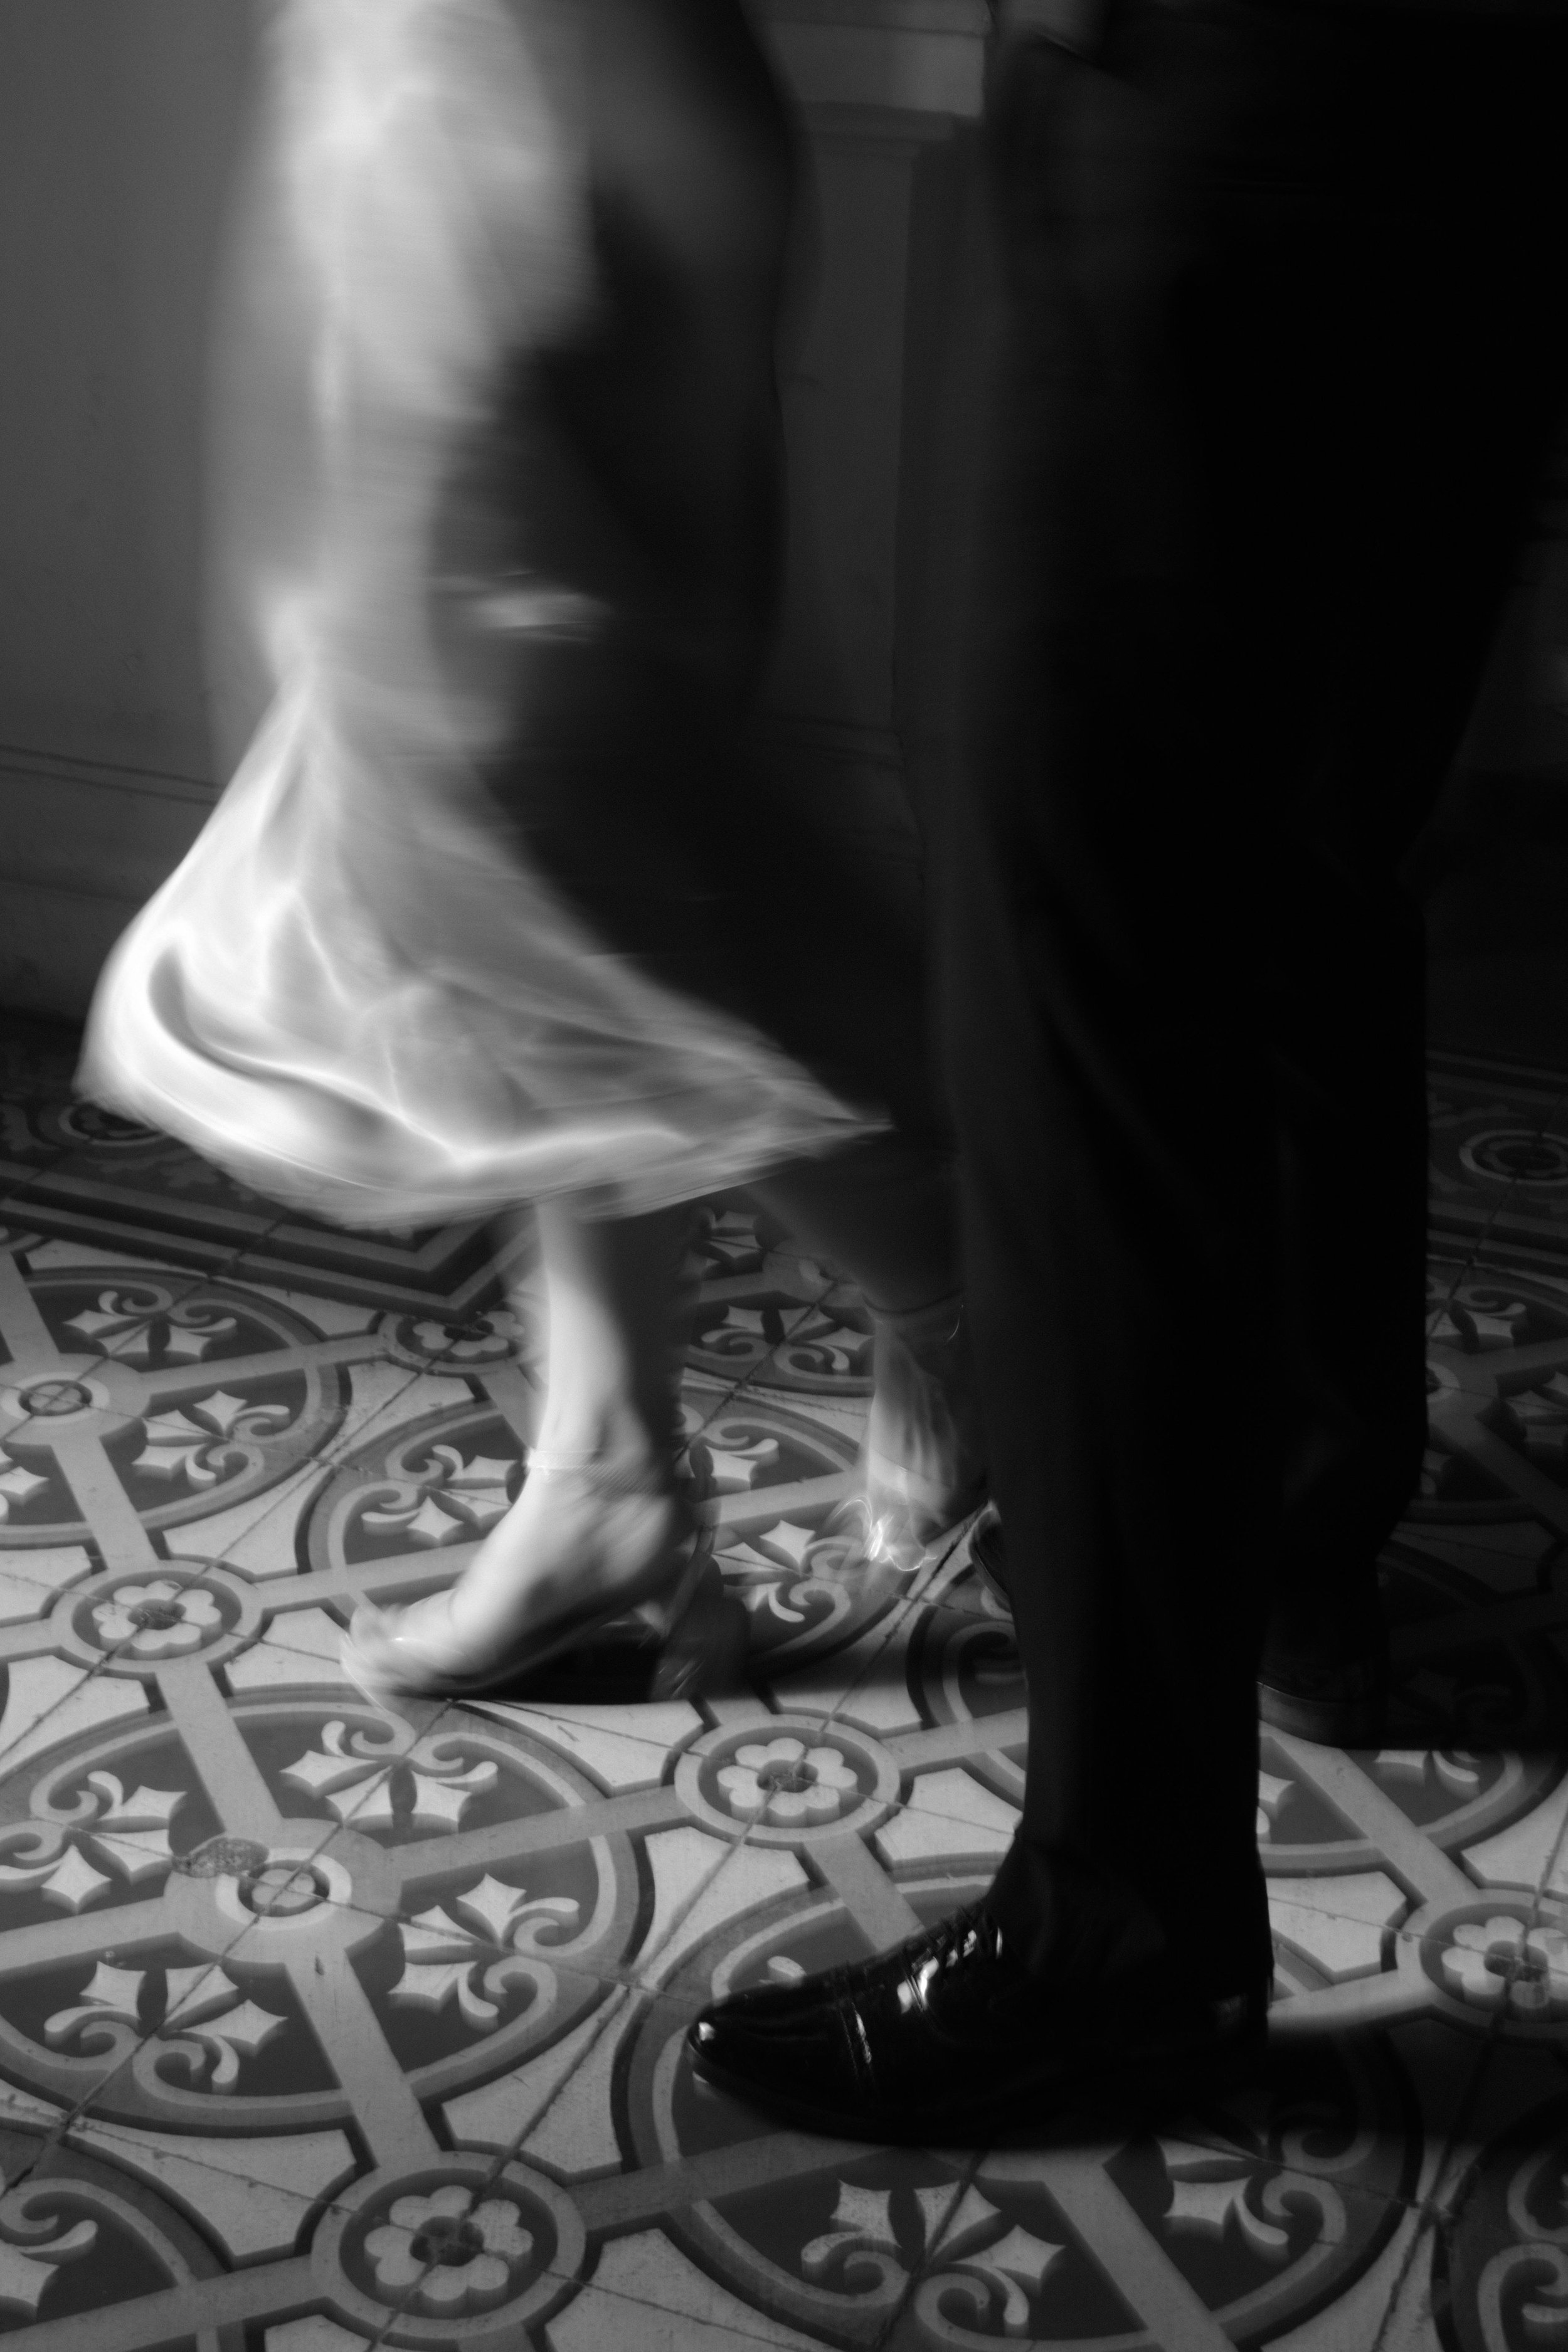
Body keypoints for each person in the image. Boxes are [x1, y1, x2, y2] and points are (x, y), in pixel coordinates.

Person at [688, 0, 1568, 2141]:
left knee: (1076, 970)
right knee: (1301, 867)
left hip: (1213, 69)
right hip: (1479, 94)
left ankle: (1122, 1916)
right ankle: (1294, 1544)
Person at [80, 0, 984, 1700]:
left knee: (524, 789)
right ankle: (614, 1461)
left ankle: (968, 1308)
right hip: (475, 72)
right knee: (538, 800)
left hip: (522, 73)